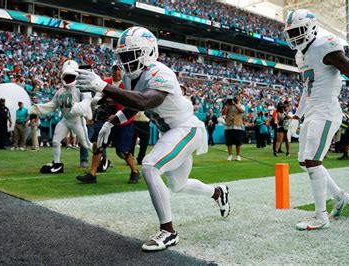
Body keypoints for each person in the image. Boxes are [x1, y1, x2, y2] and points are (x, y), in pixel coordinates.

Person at [75, 26, 230, 251]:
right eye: (124, 56)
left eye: (132, 55)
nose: (127, 61)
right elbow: (131, 105)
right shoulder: (132, 77)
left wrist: (103, 86)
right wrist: (112, 121)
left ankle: (168, 231)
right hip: (173, 132)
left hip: (186, 128)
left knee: (150, 166)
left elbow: (145, 101)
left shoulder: (160, 72)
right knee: (179, 185)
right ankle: (218, 192)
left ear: (148, 52)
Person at [285, 9, 349, 230]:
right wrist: (296, 115)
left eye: (298, 31)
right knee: (305, 162)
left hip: (326, 111)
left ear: (311, 28)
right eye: (291, 33)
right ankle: (339, 196)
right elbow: (306, 89)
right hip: (312, 111)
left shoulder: (324, 46)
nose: (294, 37)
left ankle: (321, 217)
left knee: (312, 161)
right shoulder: (300, 55)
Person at [77, 64, 140, 183]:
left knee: (123, 151)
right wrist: (98, 101)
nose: (117, 72)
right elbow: (97, 97)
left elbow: (128, 106)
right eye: (115, 69)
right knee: (98, 145)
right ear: (112, 71)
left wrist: (115, 114)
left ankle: (135, 171)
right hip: (107, 122)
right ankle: (92, 174)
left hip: (123, 122)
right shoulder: (106, 82)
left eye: (119, 70)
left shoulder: (127, 85)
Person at [29, 60, 93, 173]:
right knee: (55, 141)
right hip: (65, 120)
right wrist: (37, 108)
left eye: (71, 75)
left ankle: (102, 159)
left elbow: (87, 100)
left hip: (77, 120)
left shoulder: (80, 88)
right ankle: (57, 164)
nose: (68, 77)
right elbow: (52, 105)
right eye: (66, 75)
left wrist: (81, 108)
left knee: (86, 144)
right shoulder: (60, 92)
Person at [222, 95, 245, 161]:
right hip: (229, 125)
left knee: (238, 142)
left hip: (237, 125)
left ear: (239, 99)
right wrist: (226, 106)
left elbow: (241, 111)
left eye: (237, 97)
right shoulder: (228, 106)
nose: (236, 99)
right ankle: (230, 155)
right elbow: (223, 113)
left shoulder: (241, 105)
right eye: (235, 97)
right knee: (229, 142)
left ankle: (238, 155)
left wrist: (235, 104)